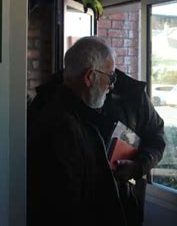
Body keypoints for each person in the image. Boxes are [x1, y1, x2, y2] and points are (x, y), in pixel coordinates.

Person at [28, 37, 165, 226]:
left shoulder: (131, 94)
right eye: (109, 76)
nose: (112, 84)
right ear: (89, 76)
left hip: (123, 206)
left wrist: (138, 166)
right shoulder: (51, 107)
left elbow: (157, 137)